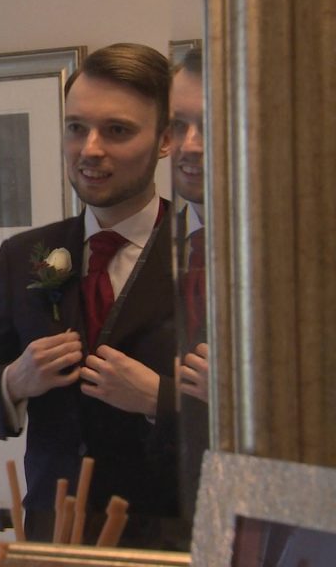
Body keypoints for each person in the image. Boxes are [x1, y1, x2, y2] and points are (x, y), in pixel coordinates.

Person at [0, 43, 183, 548]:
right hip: (52, 544)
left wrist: (162, 401)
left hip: (173, 544)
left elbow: (262, 429)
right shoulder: (26, 254)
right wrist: (14, 380)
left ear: (165, 140)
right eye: (76, 128)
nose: (90, 148)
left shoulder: (212, 257)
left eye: (117, 130)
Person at [169, 47, 211, 521]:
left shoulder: (301, 260)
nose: (190, 144)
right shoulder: (159, 243)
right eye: (179, 125)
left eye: (209, 123)